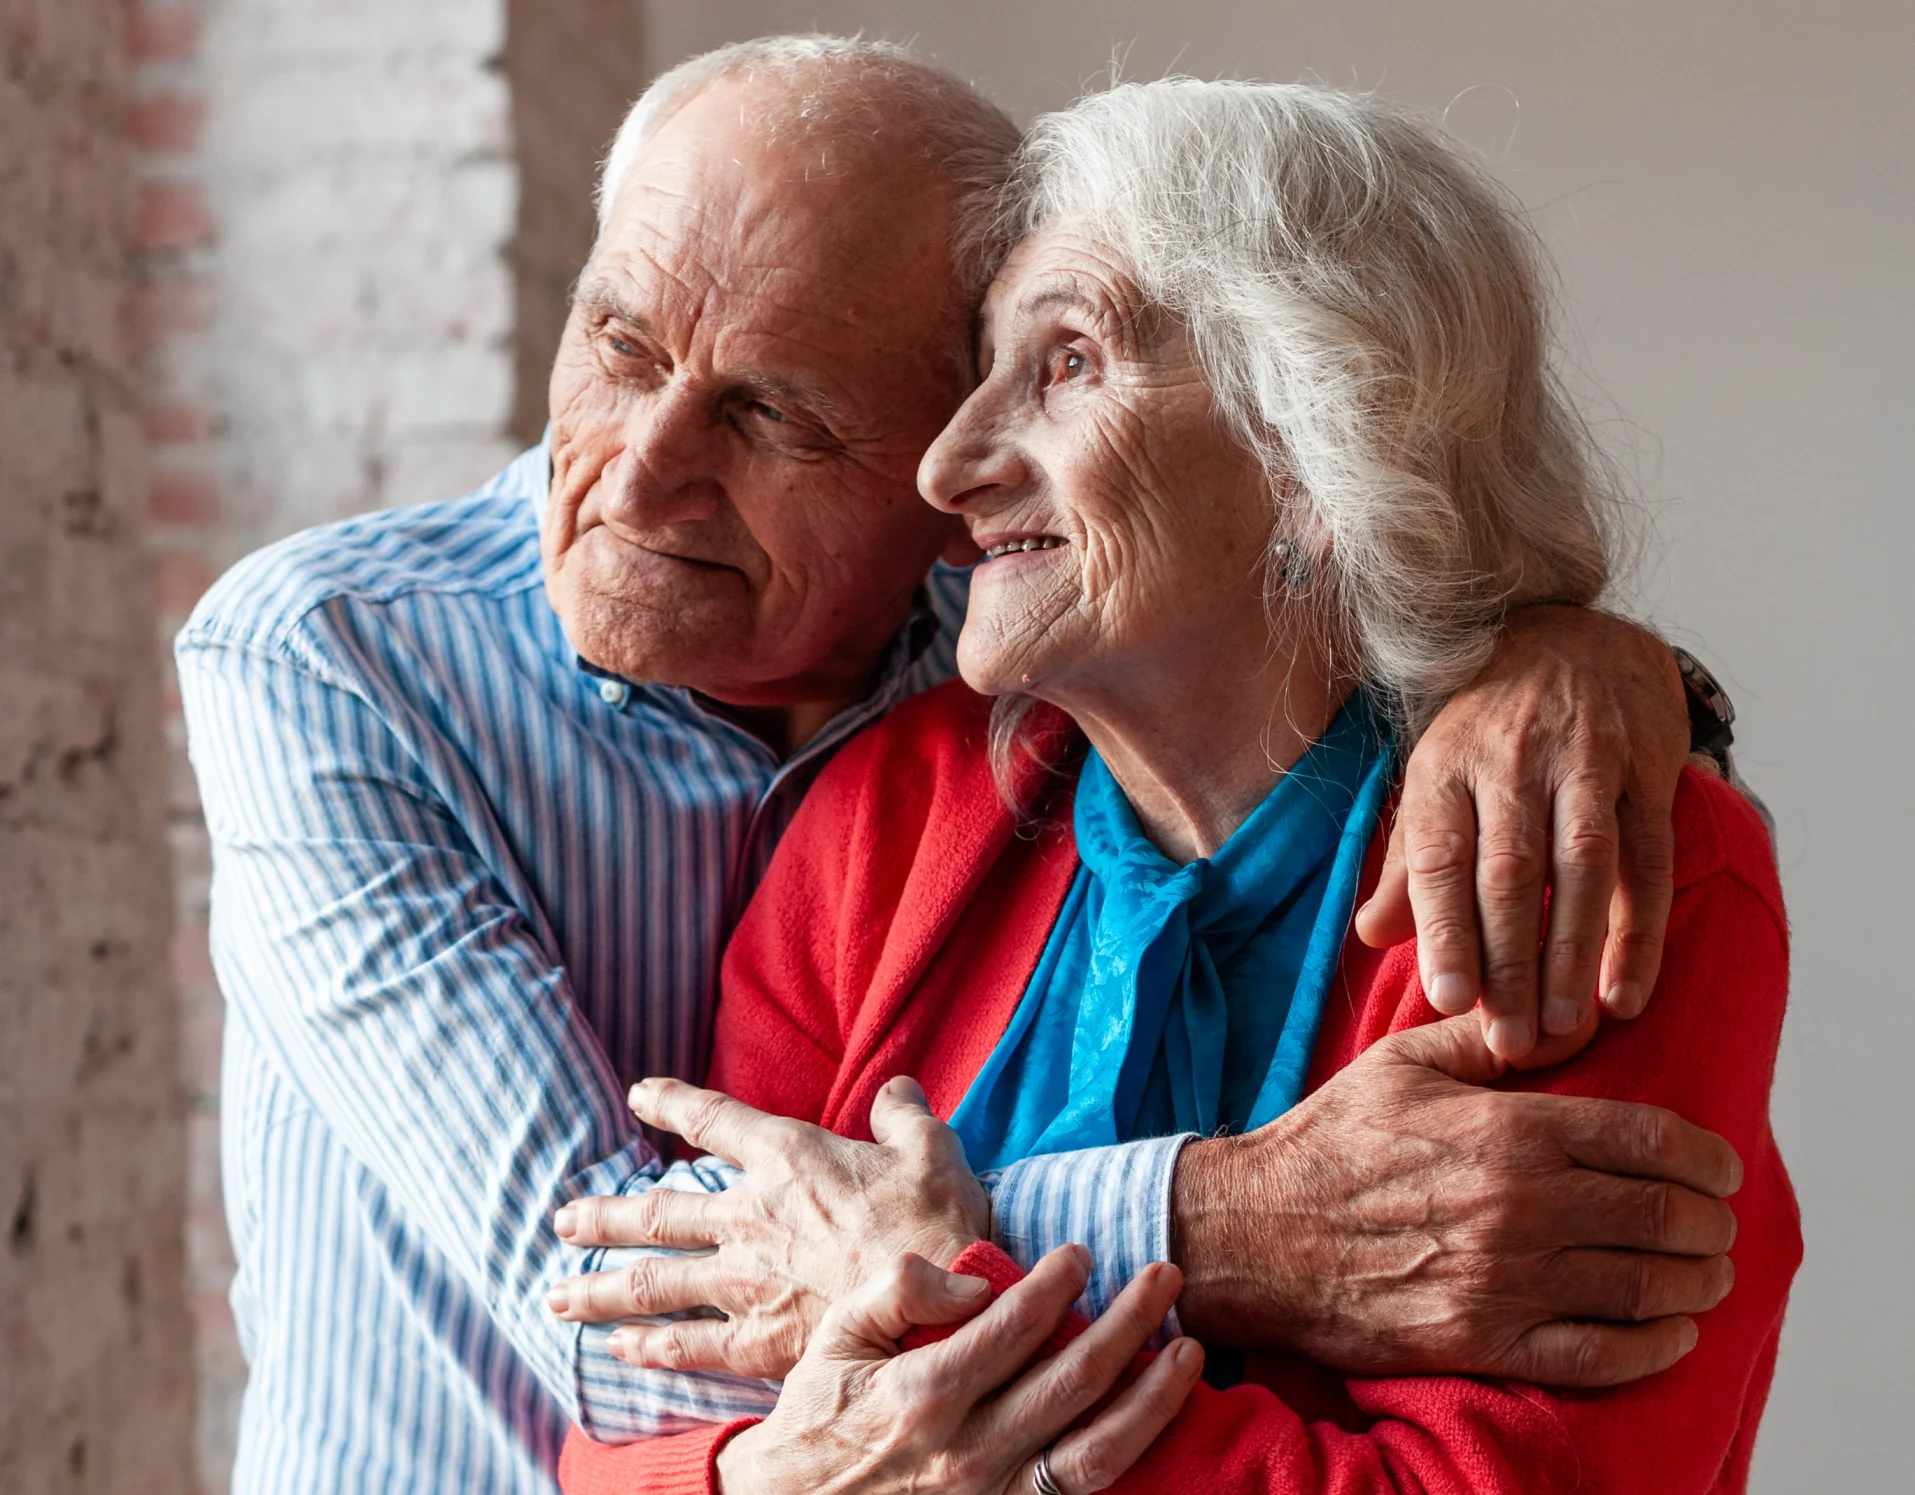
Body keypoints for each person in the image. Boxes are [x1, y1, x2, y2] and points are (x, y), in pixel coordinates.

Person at [178, 36, 1745, 1494]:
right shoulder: (332, 660)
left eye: (777, 413)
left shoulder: (1533, 832)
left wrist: (1579, 654)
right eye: (617, 341)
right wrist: (1227, 1218)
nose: (642, 468)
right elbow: (618, 1316)